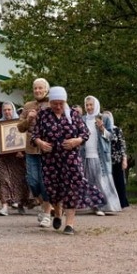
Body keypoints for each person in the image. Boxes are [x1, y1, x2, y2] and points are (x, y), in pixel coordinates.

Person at [32, 86, 104, 235]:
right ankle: (58, 213)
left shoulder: (73, 114)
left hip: (70, 159)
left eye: (61, 103)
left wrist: (76, 141)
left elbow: (85, 133)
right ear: (50, 102)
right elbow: (34, 135)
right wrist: (40, 143)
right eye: (54, 103)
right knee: (54, 189)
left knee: (71, 188)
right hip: (50, 160)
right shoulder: (43, 115)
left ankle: (69, 224)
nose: (58, 106)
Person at [18, 78, 58, 227]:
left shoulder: (52, 104)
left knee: (45, 182)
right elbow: (20, 127)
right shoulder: (28, 106)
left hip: (47, 150)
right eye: (35, 88)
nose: (37, 91)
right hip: (31, 149)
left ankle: (47, 213)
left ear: (46, 89)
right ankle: (44, 205)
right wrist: (28, 119)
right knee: (33, 182)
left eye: (40, 88)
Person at [82, 96, 122, 214]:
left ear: (96, 105)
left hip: (101, 155)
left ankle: (104, 205)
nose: (89, 107)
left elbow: (112, 137)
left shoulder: (105, 118)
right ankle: (95, 206)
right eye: (87, 105)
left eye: (91, 105)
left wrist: (102, 128)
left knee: (101, 181)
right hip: (85, 155)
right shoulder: (82, 119)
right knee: (89, 181)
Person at [0, 102, 30, 216]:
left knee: (19, 180)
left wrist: (22, 150)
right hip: (3, 157)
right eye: (5, 110)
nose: (7, 112)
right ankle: (4, 206)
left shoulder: (19, 123)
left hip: (18, 157)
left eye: (9, 109)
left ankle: (20, 204)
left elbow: (25, 139)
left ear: (13, 110)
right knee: (4, 180)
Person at [103, 110, 130, 208]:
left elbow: (122, 145)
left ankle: (122, 202)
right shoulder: (101, 130)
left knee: (119, 181)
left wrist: (124, 159)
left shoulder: (117, 130)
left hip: (116, 159)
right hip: (105, 159)